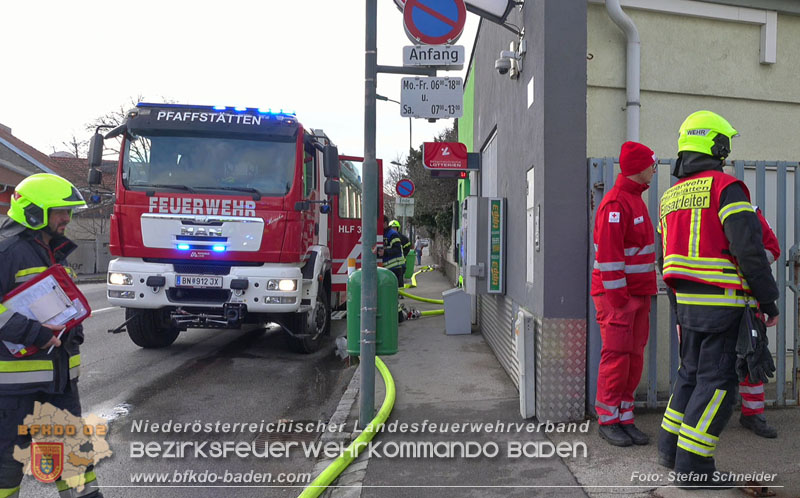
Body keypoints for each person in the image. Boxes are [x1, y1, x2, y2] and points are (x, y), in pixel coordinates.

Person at [657, 111, 779, 490]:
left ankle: (670, 450)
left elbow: (664, 259)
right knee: (718, 384)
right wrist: (769, 302)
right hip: (724, 306)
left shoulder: (670, 196)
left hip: (687, 306)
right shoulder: (727, 188)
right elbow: (750, 250)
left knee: (689, 376)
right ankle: (694, 467)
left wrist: (679, 307)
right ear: (717, 146)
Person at [0, 174, 104, 498]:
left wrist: (73, 327)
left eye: (68, 211)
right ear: (34, 212)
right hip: (12, 393)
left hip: (59, 386)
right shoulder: (6, 252)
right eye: (59, 211)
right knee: (5, 471)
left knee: (75, 466)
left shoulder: (54, 251)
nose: (67, 218)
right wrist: (34, 333)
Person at [591, 141, 658, 447]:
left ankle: (624, 417)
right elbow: (609, 258)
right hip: (618, 298)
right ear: (638, 168)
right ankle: (608, 420)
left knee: (633, 357)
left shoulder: (633, 200)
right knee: (617, 358)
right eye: (651, 165)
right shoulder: (616, 204)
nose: (654, 170)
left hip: (635, 296)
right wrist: (620, 302)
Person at [379, 216, 406, 287]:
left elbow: (397, 249)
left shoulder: (392, 234)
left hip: (396, 268)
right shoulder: (383, 234)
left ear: (385, 223)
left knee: (397, 290)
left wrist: (385, 252)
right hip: (387, 268)